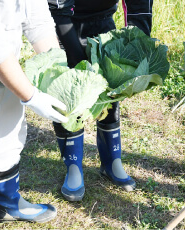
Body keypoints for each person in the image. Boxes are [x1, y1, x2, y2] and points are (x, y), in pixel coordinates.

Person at [47, 0, 153, 202]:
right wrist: (79, 62)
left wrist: (137, 43)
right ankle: (73, 166)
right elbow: (58, 10)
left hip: (103, 23)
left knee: (110, 91)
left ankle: (112, 162)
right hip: (65, 26)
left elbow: (139, 5)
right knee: (69, 96)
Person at [0, 0, 68, 222]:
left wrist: (58, 76)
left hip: (4, 66)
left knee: (7, 131)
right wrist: (32, 96)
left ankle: (5, 202)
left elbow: (37, 18)